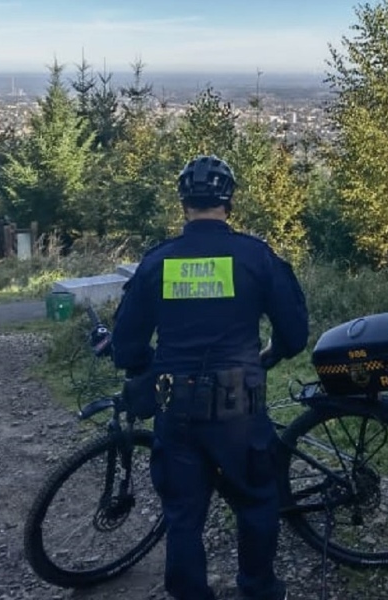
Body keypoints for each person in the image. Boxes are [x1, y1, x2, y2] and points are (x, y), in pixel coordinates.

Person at [112, 154, 309, 600]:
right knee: (257, 502)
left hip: (175, 409)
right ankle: (258, 590)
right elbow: (295, 333)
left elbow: (127, 344)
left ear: (183, 203)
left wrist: (145, 368)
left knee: (183, 515)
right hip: (240, 408)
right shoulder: (255, 257)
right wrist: (270, 355)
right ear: (229, 202)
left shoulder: (158, 262)